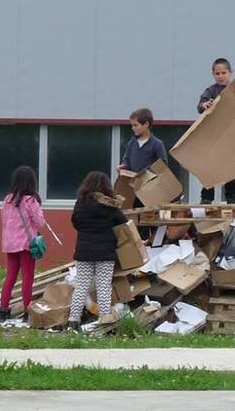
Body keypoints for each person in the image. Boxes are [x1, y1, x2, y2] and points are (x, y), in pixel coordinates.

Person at [66, 171, 128, 331]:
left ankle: (73, 321)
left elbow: (76, 222)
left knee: (81, 286)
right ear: (106, 187)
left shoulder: (80, 203)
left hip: (84, 251)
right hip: (105, 252)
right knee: (104, 287)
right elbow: (123, 222)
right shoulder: (110, 205)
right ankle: (104, 320)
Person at [0, 166, 46, 321]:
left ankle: (3, 309)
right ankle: (27, 310)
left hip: (10, 243)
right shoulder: (30, 200)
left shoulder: (7, 199)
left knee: (10, 276)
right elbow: (40, 222)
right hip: (26, 244)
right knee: (27, 277)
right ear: (32, 182)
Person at [196, 57, 235, 204]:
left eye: (224, 73)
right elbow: (200, 105)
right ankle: (206, 197)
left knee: (231, 167)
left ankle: (232, 197)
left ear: (230, 73)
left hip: (231, 135)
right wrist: (205, 105)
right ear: (213, 74)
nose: (221, 76)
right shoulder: (211, 90)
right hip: (214, 136)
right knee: (210, 166)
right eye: (217, 73)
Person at [118, 108, 168, 176]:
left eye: (135, 125)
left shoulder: (157, 144)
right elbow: (126, 160)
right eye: (132, 125)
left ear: (146, 124)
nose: (132, 128)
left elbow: (162, 166)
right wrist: (123, 166)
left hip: (150, 184)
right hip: (133, 184)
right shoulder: (131, 143)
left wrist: (145, 175)